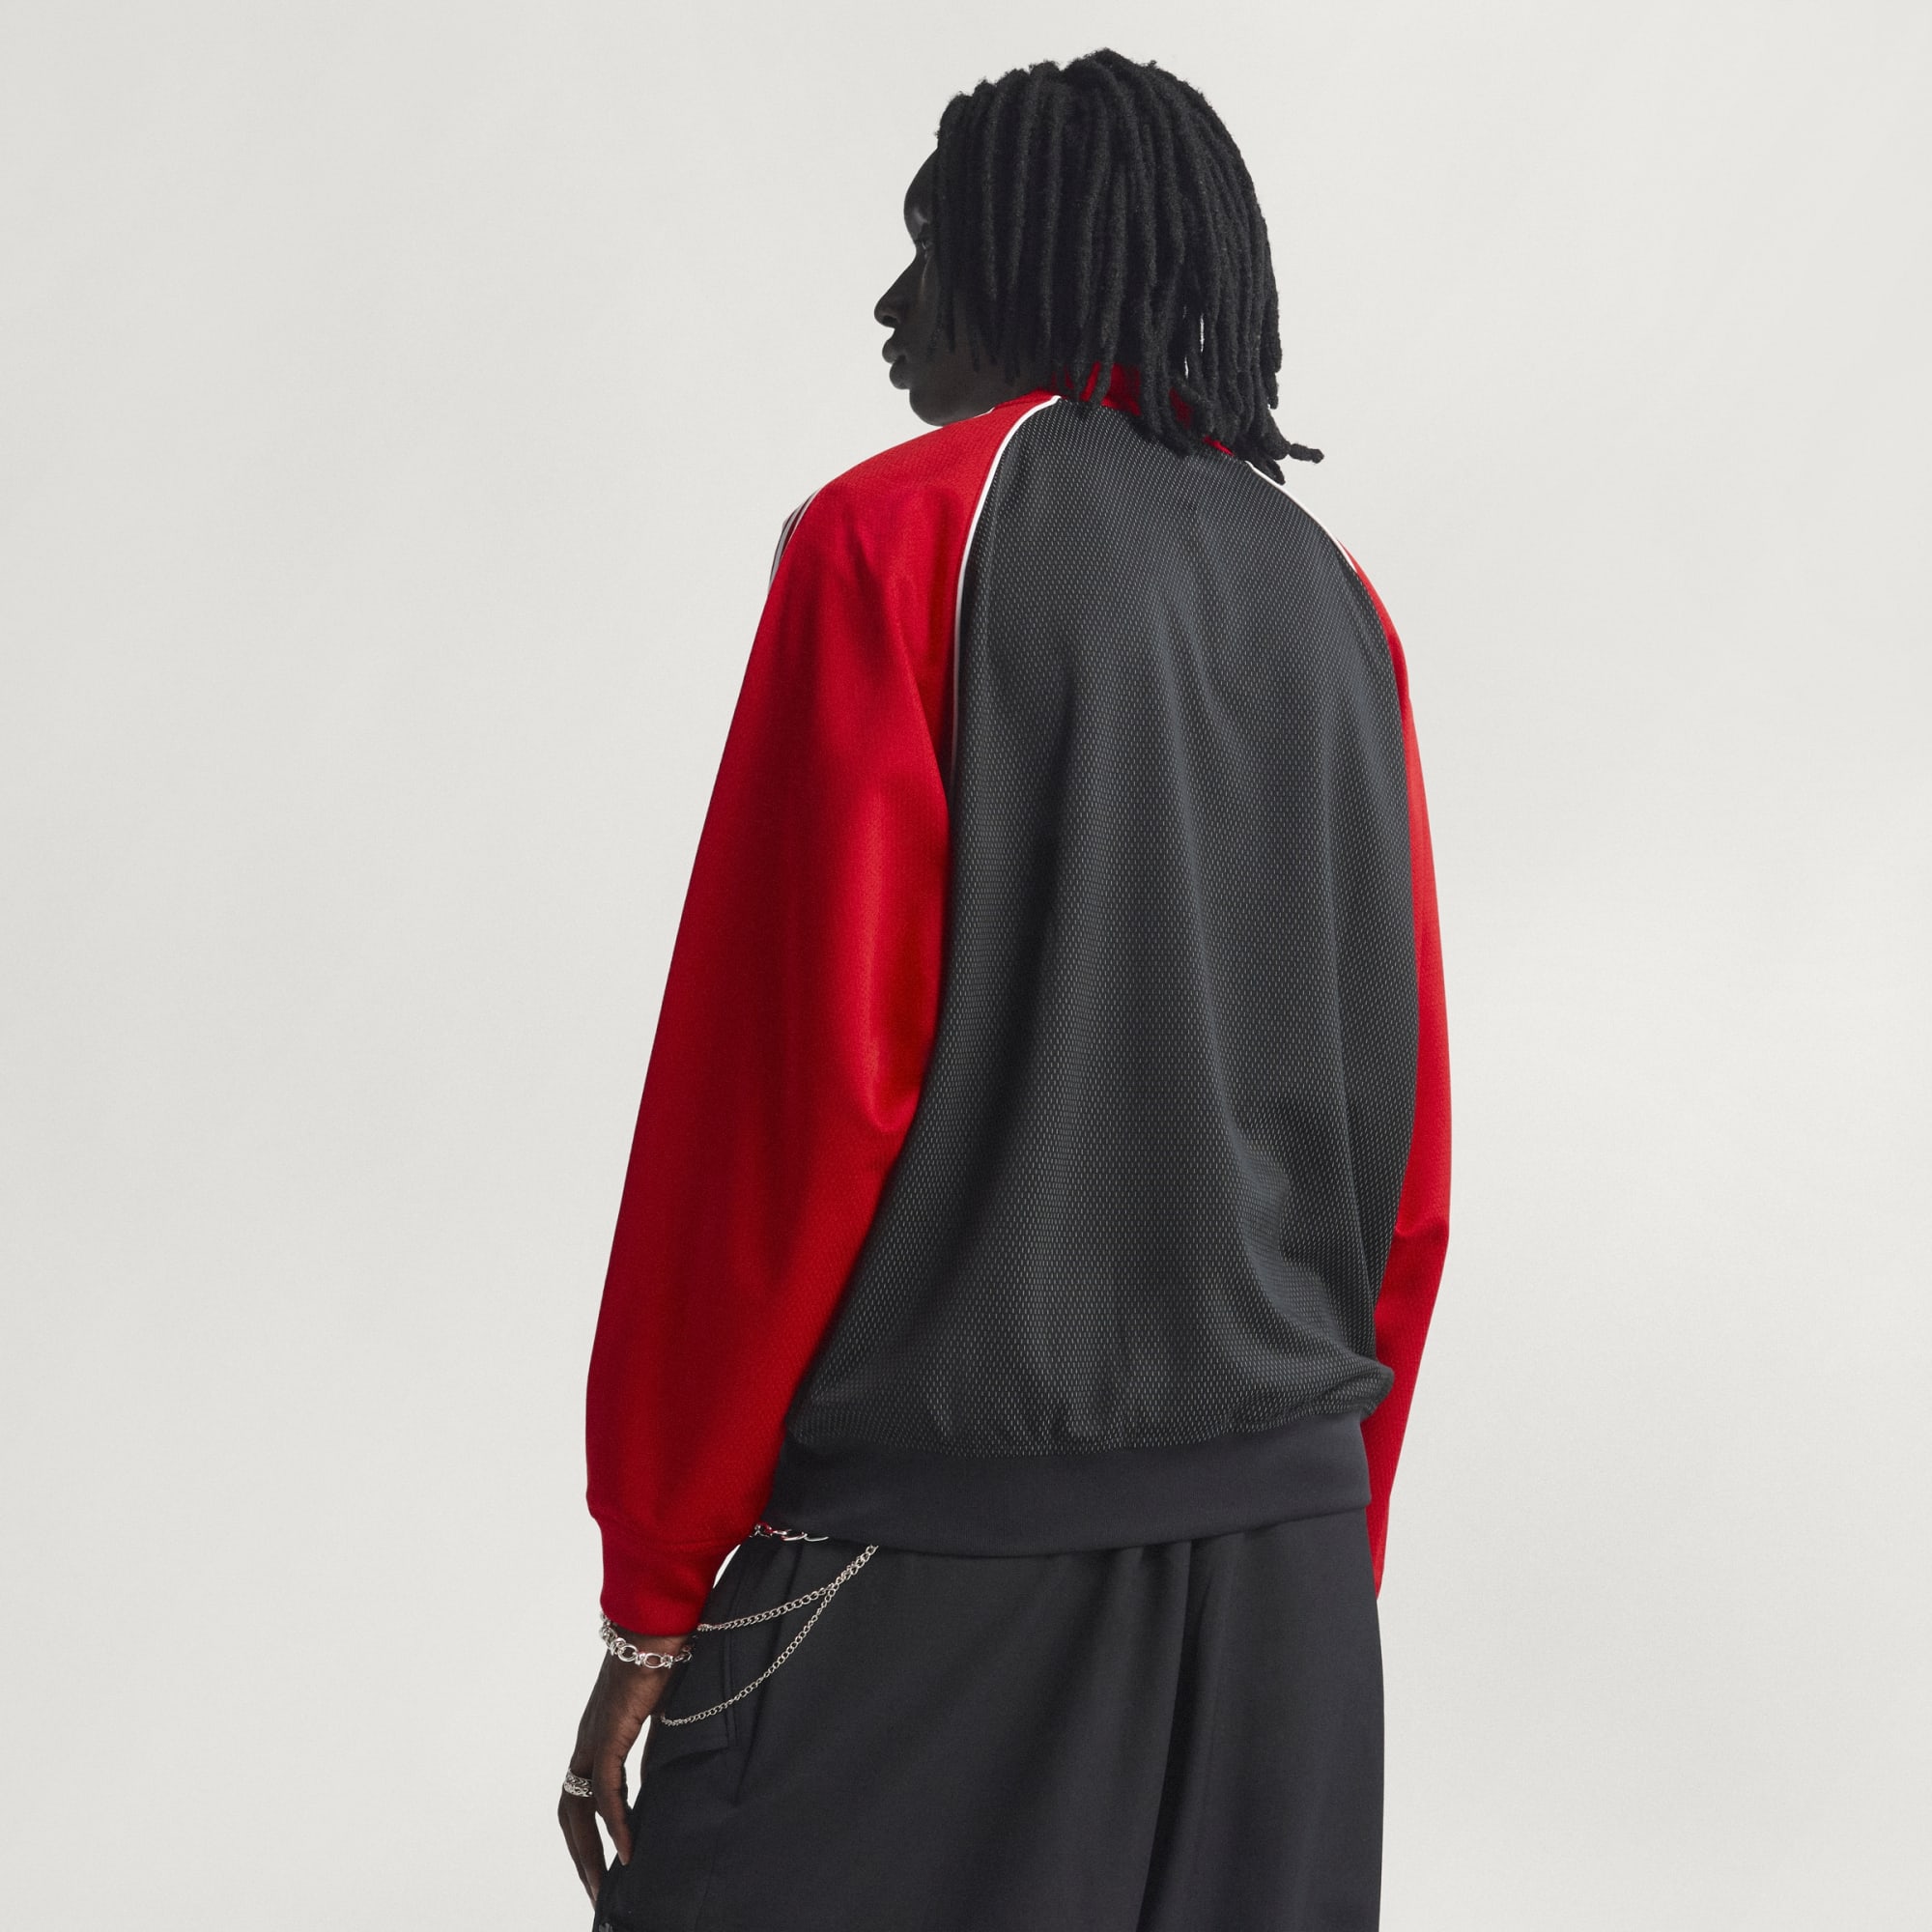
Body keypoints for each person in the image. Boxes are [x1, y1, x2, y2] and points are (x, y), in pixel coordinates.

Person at [559, 48, 1449, 1932]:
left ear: (1032, 261)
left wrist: (654, 1585)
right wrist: (1318, 1548)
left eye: (933, 246)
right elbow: (1397, 1147)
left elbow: (784, 1109)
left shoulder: (891, 540)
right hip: (1285, 1580)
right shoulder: (1334, 599)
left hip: (940, 1561)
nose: (893, 306)